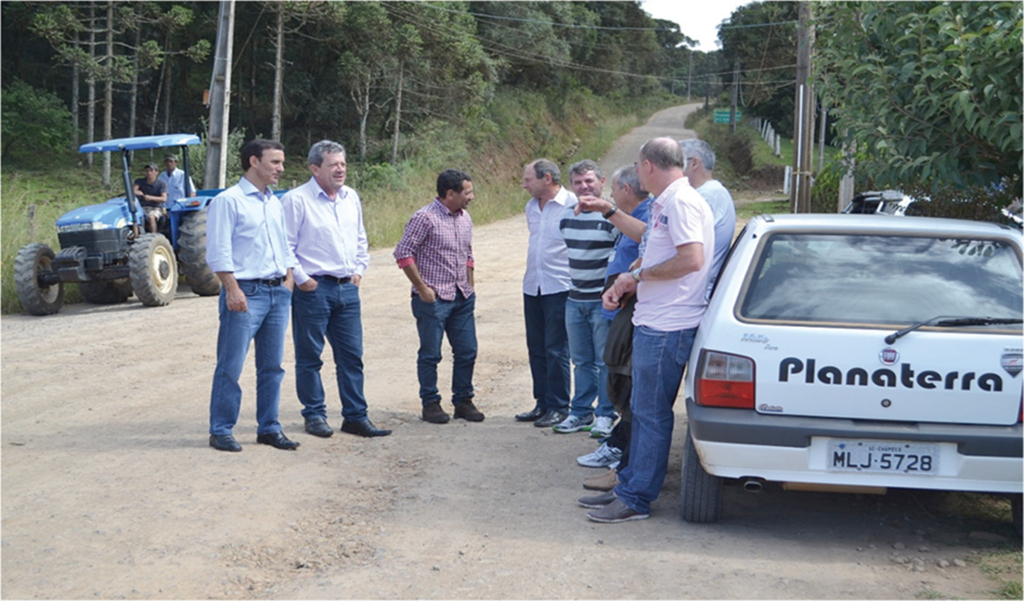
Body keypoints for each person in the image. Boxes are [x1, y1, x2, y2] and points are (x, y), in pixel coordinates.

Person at [579, 137, 714, 522]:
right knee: (641, 410)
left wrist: (637, 275)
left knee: (650, 414)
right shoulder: (666, 201)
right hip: (656, 319)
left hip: (668, 324)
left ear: (649, 166)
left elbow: (691, 258)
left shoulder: (681, 201)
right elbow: (654, 244)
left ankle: (637, 498)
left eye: (638, 167)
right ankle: (629, 487)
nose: (636, 174)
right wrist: (627, 277)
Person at [281, 140, 391, 439]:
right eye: (333, 164)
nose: (340, 169)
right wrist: (303, 279)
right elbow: (285, 246)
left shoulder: (350, 197)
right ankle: (314, 414)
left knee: (351, 356)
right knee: (310, 356)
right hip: (314, 290)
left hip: (347, 289)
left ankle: (355, 416)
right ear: (315, 168)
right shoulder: (296, 200)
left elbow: (359, 238)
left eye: (343, 163)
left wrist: (358, 270)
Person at [206, 139, 299, 452]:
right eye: (274, 162)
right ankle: (221, 430)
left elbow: (284, 245)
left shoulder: (274, 201)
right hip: (245, 293)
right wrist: (232, 289)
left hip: (277, 293)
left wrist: (288, 279)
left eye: (281, 162)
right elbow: (218, 251)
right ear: (253, 162)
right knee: (231, 366)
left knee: (272, 367)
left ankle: (269, 428)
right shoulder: (228, 201)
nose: (280, 169)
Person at [574, 165, 652, 492]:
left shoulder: (643, 214)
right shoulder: (635, 213)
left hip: (632, 306)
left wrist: (608, 209)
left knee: (624, 381)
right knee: (617, 374)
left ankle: (621, 453)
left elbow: (647, 241)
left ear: (626, 190)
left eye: (616, 189)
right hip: (618, 303)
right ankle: (618, 444)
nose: (615, 195)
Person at [394, 169, 485, 424]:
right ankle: (430, 403)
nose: (472, 197)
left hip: (462, 296)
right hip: (433, 300)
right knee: (431, 354)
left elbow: (468, 252)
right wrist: (422, 288)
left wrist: (470, 283)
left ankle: (463, 401)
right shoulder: (425, 218)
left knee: (467, 351)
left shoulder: (465, 218)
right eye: (467, 192)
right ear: (450, 194)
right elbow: (403, 253)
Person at [552, 160, 619, 437]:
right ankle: (580, 412)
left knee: (605, 362)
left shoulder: (613, 217)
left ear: (602, 182)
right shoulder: (566, 217)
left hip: (601, 301)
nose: (584, 186)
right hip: (574, 298)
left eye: (589, 181)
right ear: (571, 186)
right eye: (578, 182)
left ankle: (605, 414)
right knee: (580, 361)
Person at [515, 159, 577, 428]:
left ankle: (559, 406)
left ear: (547, 178)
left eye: (528, 179)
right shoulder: (531, 207)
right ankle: (541, 402)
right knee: (536, 348)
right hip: (534, 285)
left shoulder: (573, 205)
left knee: (557, 349)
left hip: (560, 286)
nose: (524, 184)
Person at [679, 139, 736, 293]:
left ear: (695, 163)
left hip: (697, 291)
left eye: (677, 163)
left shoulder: (708, 195)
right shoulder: (707, 193)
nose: (673, 169)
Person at [133, 163, 167, 233]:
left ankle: (153, 236)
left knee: (151, 217)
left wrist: (151, 198)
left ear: (156, 172)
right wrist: (137, 192)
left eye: (151, 171)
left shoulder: (161, 184)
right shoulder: (140, 181)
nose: (149, 173)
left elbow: (164, 198)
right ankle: (134, 237)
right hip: (141, 207)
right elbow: (133, 190)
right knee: (133, 217)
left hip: (156, 208)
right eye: (147, 171)